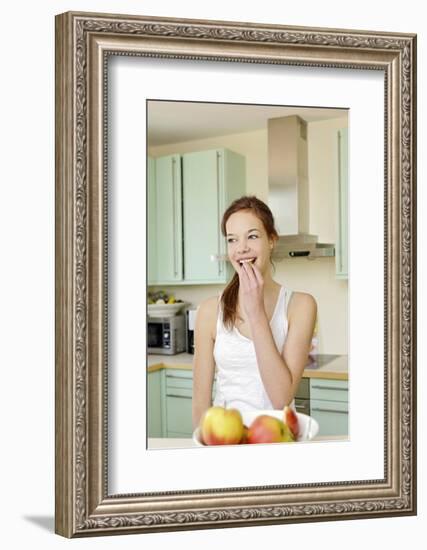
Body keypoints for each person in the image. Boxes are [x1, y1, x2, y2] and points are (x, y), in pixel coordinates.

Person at [192, 195, 317, 428]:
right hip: (225, 439)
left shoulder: (301, 306)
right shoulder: (209, 311)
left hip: (275, 438)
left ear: (271, 240)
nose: (241, 248)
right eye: (232, 240)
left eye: (252, 236)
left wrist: (256, 311)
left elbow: (281, 398)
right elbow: (200, 404)